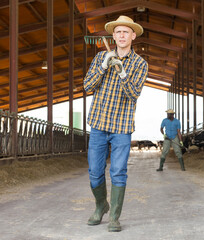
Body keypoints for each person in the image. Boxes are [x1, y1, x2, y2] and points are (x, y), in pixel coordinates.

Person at [83, 15, 148, 232]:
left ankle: (114, 217)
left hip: (121, 127)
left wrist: (122, 73)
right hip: (99, 124)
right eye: (118, 32)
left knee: (118, 171)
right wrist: (104, 66)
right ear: (113, 36)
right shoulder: (101, 56)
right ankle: (101, 205)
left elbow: (133, 94)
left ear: (133, 36)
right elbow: (87, 85)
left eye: (126, 32)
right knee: (94, 171)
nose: (122, 35)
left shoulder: (140, 64)